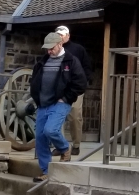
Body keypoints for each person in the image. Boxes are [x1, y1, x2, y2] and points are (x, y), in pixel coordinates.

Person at [27, 31, 87, 181]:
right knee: (40, 138)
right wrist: (36, 97)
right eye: (47, 48)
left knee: (50, 130)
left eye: (51, 48)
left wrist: (66, 98)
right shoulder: (43, 61)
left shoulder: (71, 61)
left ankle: (65, 149)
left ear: (60, 44)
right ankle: (46, 171)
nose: (49, 51)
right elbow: (34, 81)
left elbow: (80, 84)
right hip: (43, 104)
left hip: (60, 103)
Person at [55, 25, 92, 155]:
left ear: (68, 36)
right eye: (58, 34)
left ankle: (76, 144)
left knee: (75, 116)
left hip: (75, 88)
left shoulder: (78, 49)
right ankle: (61, 146)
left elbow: (87, 67)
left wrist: (83, 83)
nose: (60, 37)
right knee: (58, 116)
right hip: (59, 88)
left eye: (62, 35)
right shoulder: (54, 50)